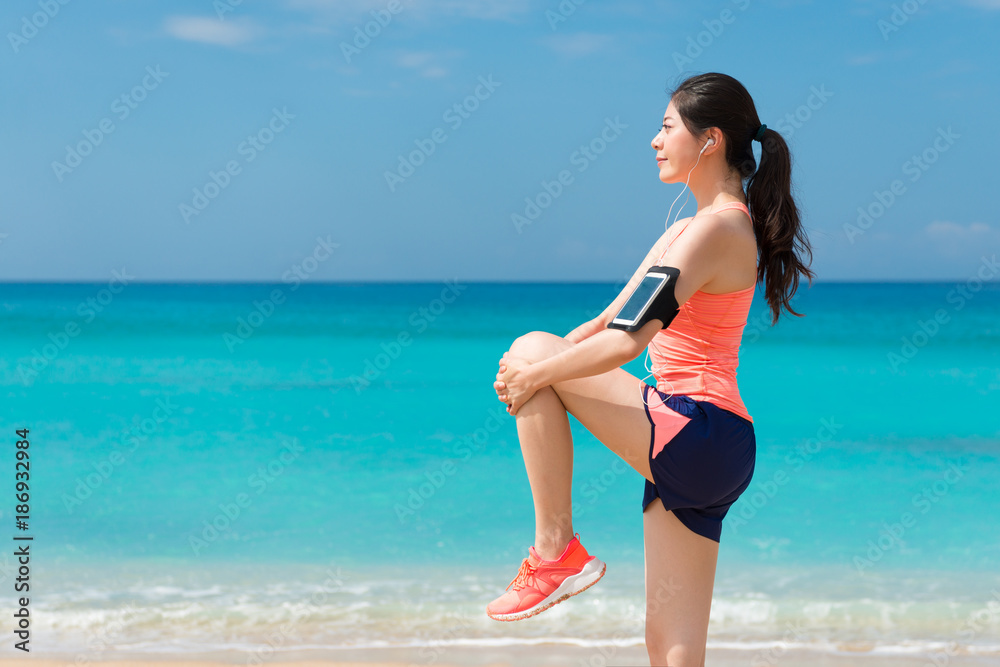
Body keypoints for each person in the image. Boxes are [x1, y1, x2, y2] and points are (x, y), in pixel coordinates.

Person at [484, 72, 816, 666]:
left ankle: (555, 550)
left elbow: (627, 343)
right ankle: (557, 551)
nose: (654, 140)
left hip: (696, 427)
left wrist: (535, 372)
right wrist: (531, 376)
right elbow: (604, 322)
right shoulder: (690, 230)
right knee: (671, 648)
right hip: (707, 445)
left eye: (667, 127)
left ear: (709, 139)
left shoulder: (717, 230)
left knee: (534, 348)